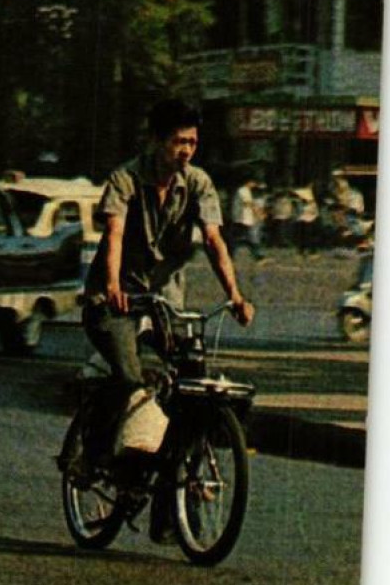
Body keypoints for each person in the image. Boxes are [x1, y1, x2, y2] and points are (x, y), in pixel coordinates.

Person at [67, 100, 255, 512]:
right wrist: (113, 285)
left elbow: (213, 240)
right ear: (155, 140)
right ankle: (92, 455)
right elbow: (114, 235)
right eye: (177, 141)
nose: (185, 150)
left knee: (192, 386)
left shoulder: (198, 183)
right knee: (129, 376)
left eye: (192, 142)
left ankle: (173, 497)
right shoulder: (125, 179)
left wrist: (235, 295)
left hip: (165, 301)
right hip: (114, 299)